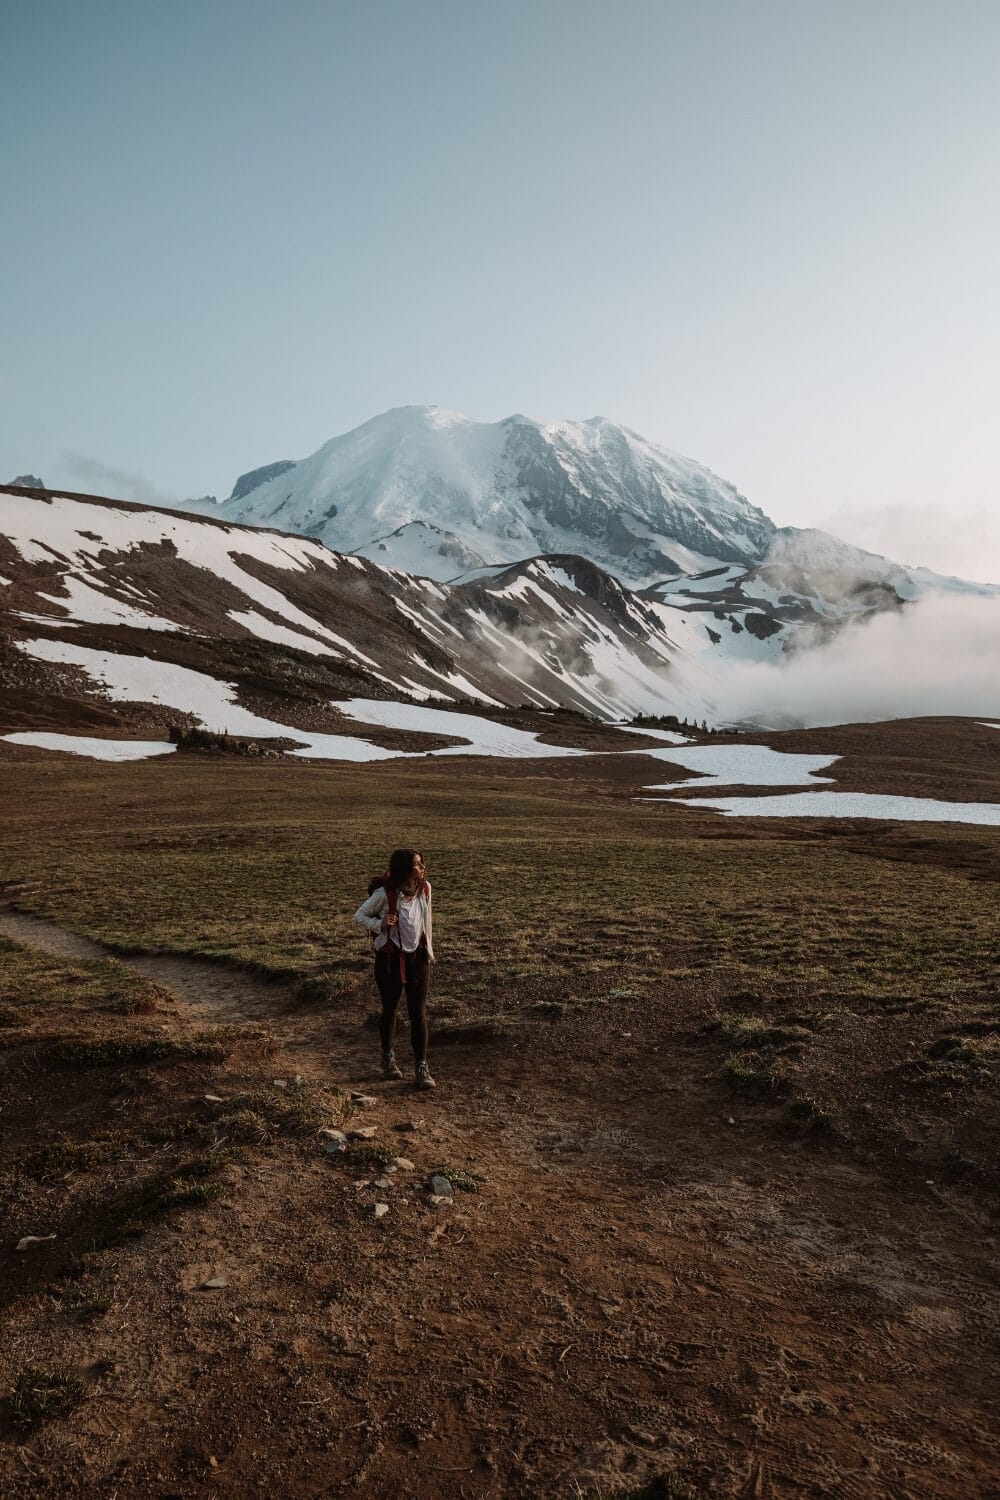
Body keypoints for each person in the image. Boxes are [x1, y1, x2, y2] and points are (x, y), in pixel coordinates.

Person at [354, 848, 436, 1090]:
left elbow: (426, 921)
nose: (422, 868)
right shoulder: (385, 894)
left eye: (422, 864)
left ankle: (421, 1068)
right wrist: (380, 924)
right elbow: (359, 915)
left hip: (418, 959)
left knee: (417, 1013)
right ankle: (388, 1059)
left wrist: (428, 952)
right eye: (417, 865)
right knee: (390, 1009)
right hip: (389, 960)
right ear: (404, 870)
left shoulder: (426, 889)